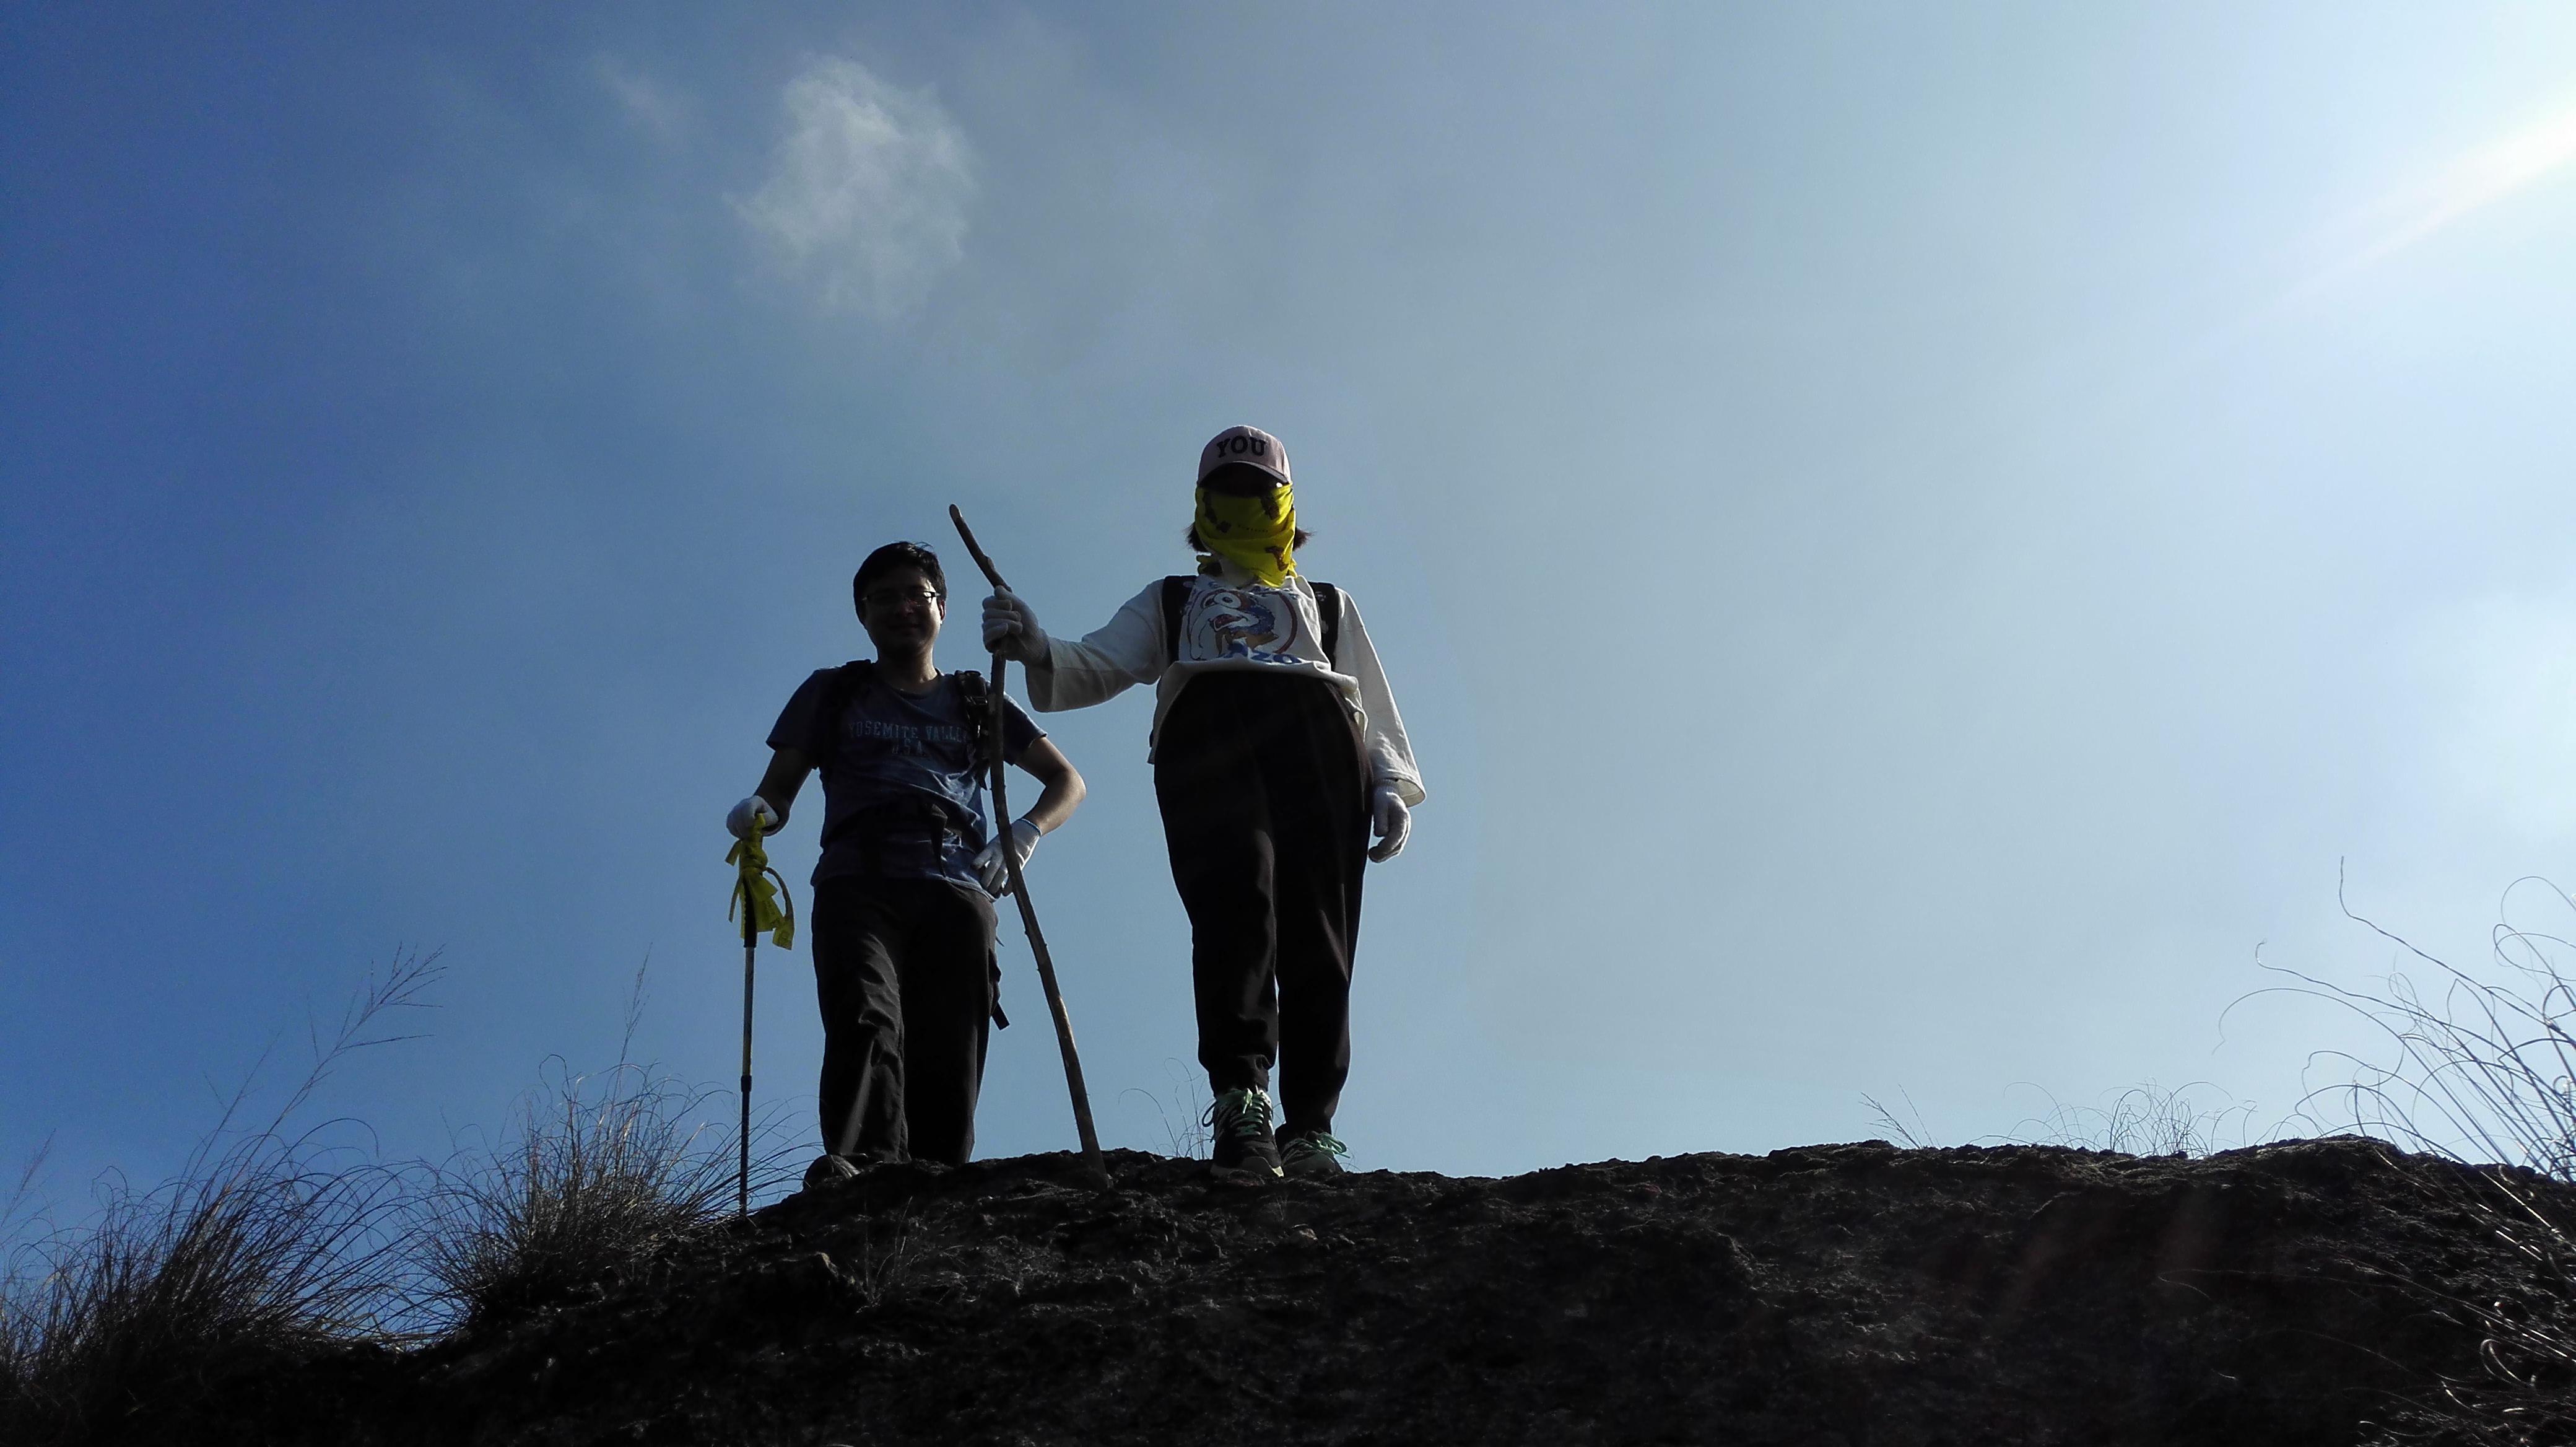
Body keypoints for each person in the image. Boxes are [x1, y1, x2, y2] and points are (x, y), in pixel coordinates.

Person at [980, 426, 1422, 1179]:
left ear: (1284, 502)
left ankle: (1310, 1127)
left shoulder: (1326, 603)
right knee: (1233, 908)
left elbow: (1371, 702)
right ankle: (1242, 1100)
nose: (1243, 500)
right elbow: (1101, 659)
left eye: (1258, 489)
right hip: (1208, 734)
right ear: (1203, 502)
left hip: (1319, 735)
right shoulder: (1174, 598)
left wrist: (1388, 781)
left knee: (1320, 926)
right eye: (1228, 489)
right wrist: (1035, 644)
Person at [729, 541, 1084, 1184]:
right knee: (864, 1015)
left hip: (957, 886)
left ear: (941, 607)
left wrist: (1025, 832)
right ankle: (866, 1167)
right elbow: (778, 790)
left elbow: (1067, 780)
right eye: (884, 598)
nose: (902, 608)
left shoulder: (976, 697)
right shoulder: (834, 691)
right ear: (862, 614)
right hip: (857, 882)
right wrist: (760, 813)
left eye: (916, 595)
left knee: (950, 1041)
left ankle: (937, 1180)